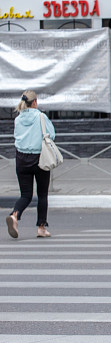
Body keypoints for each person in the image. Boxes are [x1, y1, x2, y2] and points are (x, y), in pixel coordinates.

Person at [6, 90, 54, 239]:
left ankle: (15, 215)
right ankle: (41, 228)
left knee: (25, 195)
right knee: (42, 195)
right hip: (39, 158)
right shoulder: (41, 116)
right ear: (34, 102)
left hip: (21, 159)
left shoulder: (18, 119)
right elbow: (51, 135)